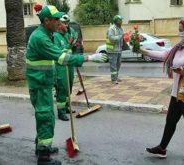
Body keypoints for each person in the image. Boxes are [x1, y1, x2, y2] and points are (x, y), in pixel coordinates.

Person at [26, 5, 107, 164]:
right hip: (40, 84)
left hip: (43, 82)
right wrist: (88, 58)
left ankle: (42, 146)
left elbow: (55, 57)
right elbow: (61, 58)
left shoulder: (47, 34)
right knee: (46, 117)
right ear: (46, 20)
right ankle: (43, 157)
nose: (59, 22)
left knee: (45, 116)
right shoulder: (40, 38)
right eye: (56, 19)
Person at [139, 17, 184, 163]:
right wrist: (143, 51)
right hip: (176, 94)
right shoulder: (179, 47)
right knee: (170, 122)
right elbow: (164, 55)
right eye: (179, 30)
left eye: (182, 30)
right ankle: (162, 148)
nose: (179, 33)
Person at [53, 14, 76, 121]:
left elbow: (70, 50)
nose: (67, 25)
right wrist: (68, 45)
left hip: (69, 65)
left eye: (68, 23)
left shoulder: (67, 35)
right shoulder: (55, 37)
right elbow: (58, 52)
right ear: (59, 24)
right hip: (61, 67)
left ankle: (66, 107)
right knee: (62, 88)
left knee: (69, 87)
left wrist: (74, 46)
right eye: (65, 23)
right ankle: (61, 112)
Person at [106, 15, 124, 84]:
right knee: (113, 65)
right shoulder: (112, 28)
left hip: (119, 49)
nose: (122, 21)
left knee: (118, 64)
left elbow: (122, 37)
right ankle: (113, 79)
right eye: (120, 20)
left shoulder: (120, 28)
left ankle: (116, 77)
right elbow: (111, 38)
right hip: (112, 50)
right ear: (117, 21)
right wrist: (121, 36)